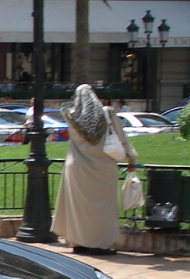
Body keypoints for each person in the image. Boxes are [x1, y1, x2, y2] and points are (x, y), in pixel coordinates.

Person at [53, 83, 137, 255]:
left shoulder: (71, 116)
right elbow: (121, 138)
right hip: (102, 167)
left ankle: (78, 241)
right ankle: (99, 243)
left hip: (76, 167)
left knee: (78, 209)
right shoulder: (107, 114)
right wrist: (131, 158)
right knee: (101, 209)